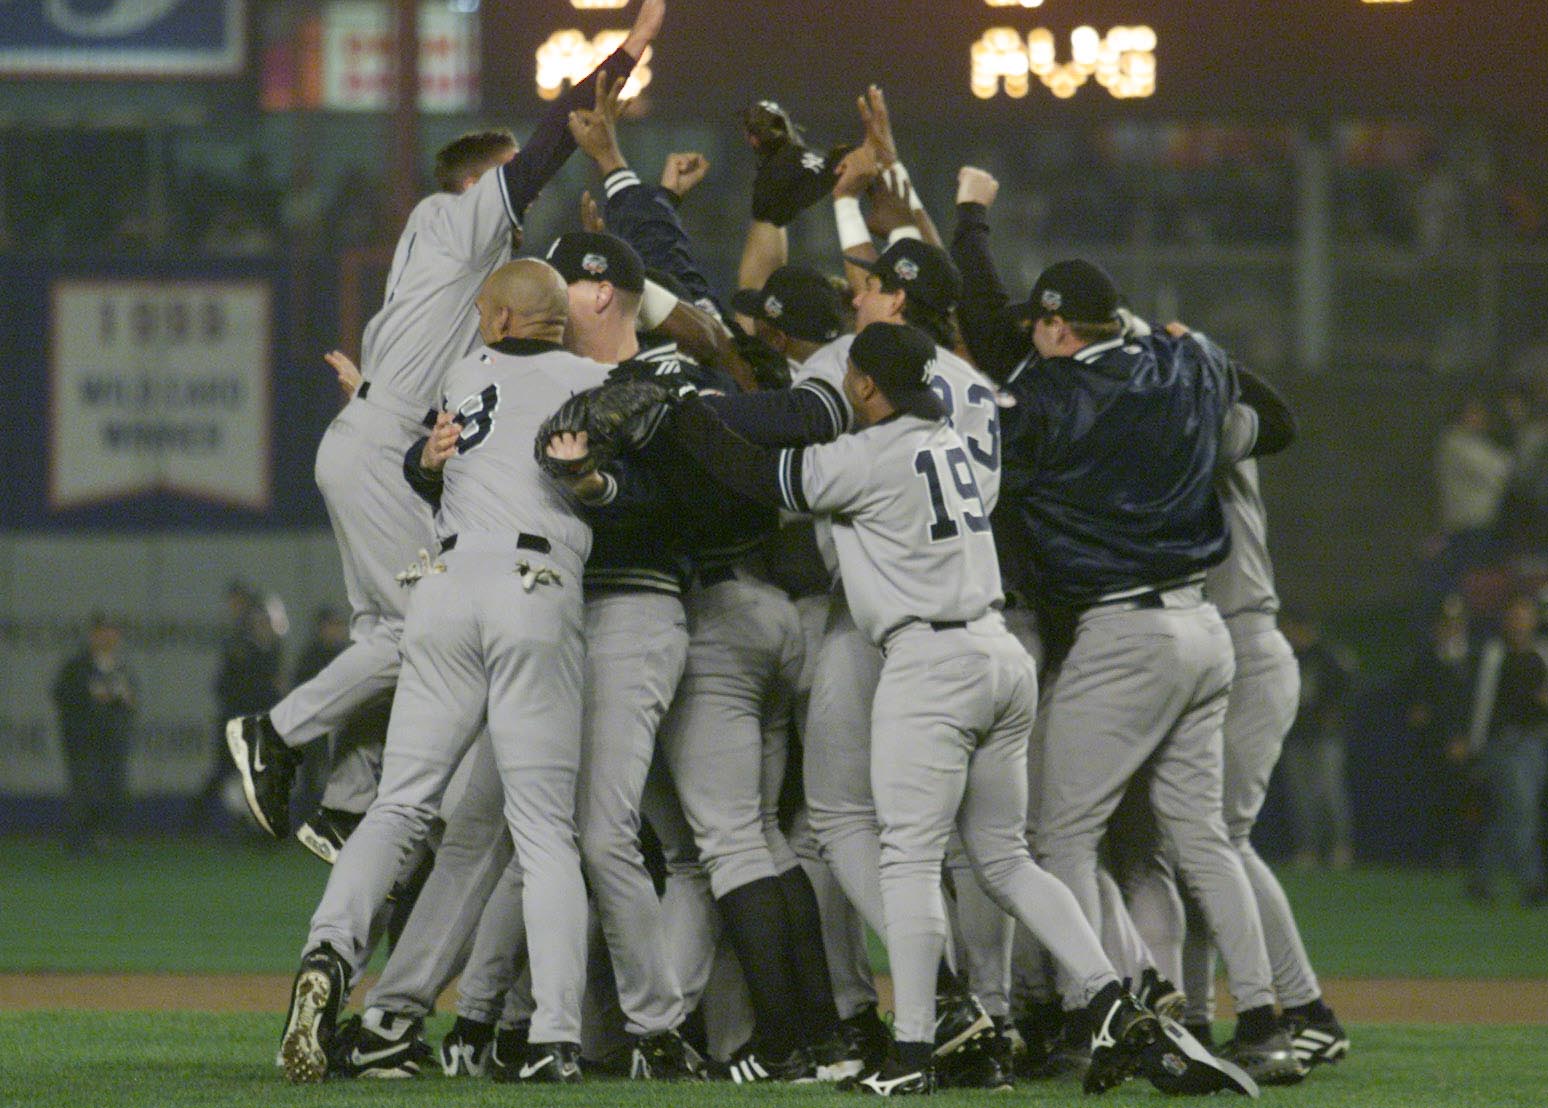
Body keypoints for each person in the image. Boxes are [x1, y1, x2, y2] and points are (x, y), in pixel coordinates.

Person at [659, 321, 1252, 1098]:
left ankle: (912, 1053)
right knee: (1005, 857)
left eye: (850, 379)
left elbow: (749, 474)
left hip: (930, 661)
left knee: (907, 857)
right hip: (999, 653)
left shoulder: (870, 454)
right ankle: (1112, 1000)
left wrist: (684, 409)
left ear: (867, 386)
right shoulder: (952, 440)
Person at [225, 0, 667, 847]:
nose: (519, 201)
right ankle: (275, 731)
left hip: (377, 438)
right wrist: (628, 51)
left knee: (386, 633)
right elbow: (546, 143)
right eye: (504, 184)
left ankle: (349, 797)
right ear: (474, 186)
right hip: (381, 445)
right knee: (420, 631)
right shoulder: (456, 222)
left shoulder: (453, 264)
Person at [275, 258, 617, 1084]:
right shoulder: (593, 378)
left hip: (443, 587)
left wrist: (425, 463)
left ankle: (330, 955)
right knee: (543, 834)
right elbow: (615, 487)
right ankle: (555, 1042)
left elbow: (422, 469)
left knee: (400, 804)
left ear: (498, 319)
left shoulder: (464, 373)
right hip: (533, 588)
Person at [1460, 591, 1548, 906]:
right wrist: (1473, 744)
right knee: (1521, 808)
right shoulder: (1494, 654)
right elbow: (1481, 703)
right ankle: (1532, 881)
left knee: (1513, 813)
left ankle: (1482, 877)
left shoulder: (1540, 654)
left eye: (1525, 615)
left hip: (1534, 743)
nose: (1520, 622)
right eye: (1515, 615)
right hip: (1504, 743)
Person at [1279, 610, 1357, 871]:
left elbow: (1346, 689)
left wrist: (1334, 714)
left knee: (1328, 791)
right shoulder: (1285, 657)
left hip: (1325, 736)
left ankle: (1340, 847)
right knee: (1301, 796)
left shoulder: (1329, 655)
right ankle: (1308, 848)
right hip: (1296, 734)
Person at [51, 614, 136, 854]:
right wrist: (89, 699)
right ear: (92, 636)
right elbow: (61, 695)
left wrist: (123, 702)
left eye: (112, 632)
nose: (108, 638)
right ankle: (77, 840)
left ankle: (103, 836)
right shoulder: (77, 666)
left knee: (112, 790)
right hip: (84, 739)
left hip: (113, 739)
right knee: (85, 789)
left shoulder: (121, 669)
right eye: (102, 632)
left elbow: (130, 702)